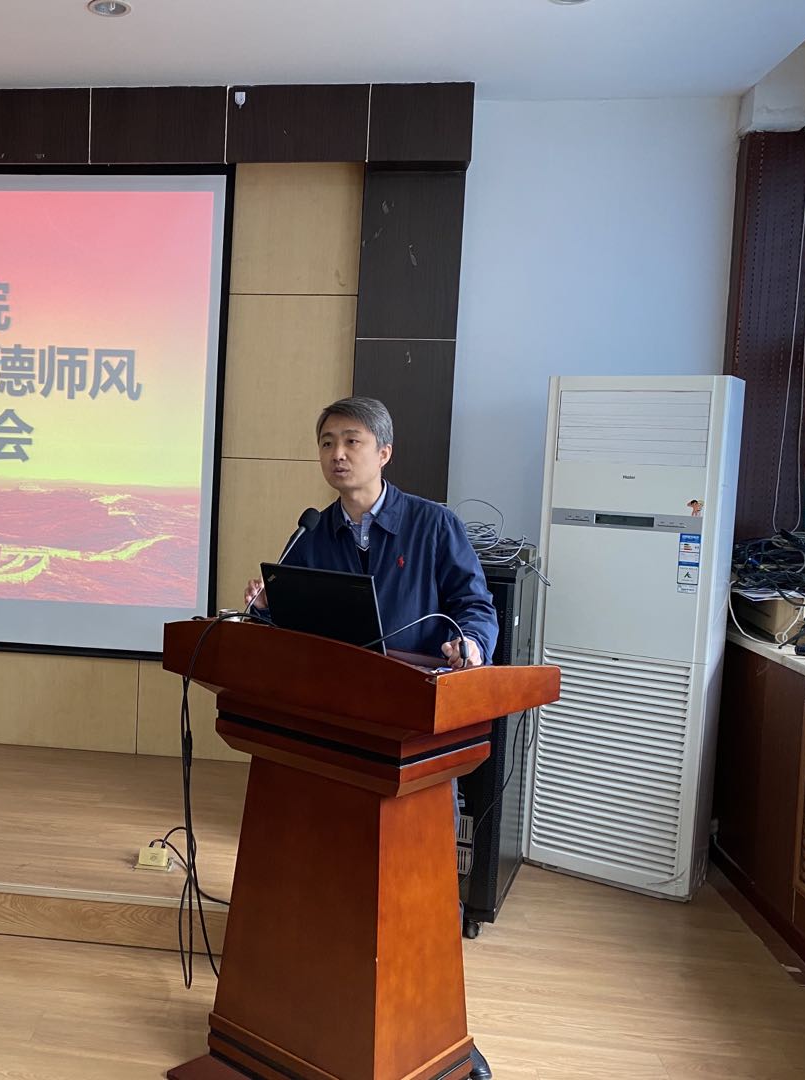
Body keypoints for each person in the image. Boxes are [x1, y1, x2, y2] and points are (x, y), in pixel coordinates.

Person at [243, 395, 499, 1080]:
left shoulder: (433, 524)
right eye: (327, 441)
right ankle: (323, 1017)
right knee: (332, 885)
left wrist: (472, 645)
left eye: (352, 441)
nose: (337, 454)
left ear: (384, 452)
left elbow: (475, 606)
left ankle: (434, 1035)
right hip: (335, 733)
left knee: (417, 898)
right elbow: (303, 628)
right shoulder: (312, 533)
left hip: (413, 730)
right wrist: (265, 611)